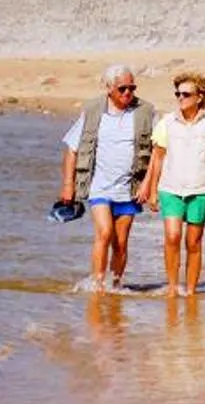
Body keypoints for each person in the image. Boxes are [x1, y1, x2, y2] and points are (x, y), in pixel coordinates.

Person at [58, 64, 156, 290]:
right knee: (104, 232)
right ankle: (98, 284)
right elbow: (72, 149)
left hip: (129, 190)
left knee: (120, 243)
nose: (128, 93)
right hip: (99, 188)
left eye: (132, 88)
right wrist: (68, 185)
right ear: (109, 88)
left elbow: (158, 152)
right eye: (123, 88)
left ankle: (116, 285)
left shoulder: (144, 112)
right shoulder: (93, 111)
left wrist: (150, 186)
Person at [140, 71, 205, 297]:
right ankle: (171, 287)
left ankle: (189, 291)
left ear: (200, 97)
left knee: (194, 242)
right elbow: (157, 157)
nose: (180, 98)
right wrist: (151, 191)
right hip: (170, 189)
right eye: (178, 94)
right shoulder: (166, 123)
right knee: (172, 236)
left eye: (186, 94)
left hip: (202, 190)